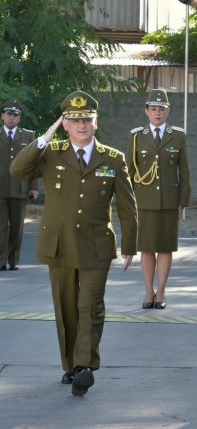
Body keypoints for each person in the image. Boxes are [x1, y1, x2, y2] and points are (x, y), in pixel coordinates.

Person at [10, 91, 137, 396]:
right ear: (64, 124)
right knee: (66, 307)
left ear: (96, 122)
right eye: (74, 120)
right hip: (60, 245)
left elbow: (127, 206)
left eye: (87, 119)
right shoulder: (50, 153)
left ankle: (84, 366)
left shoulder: (113, 158)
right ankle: (69, 366)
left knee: (90, 306)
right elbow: (17, 170)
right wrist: (43, 138)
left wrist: (131, 245)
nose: (81, 125)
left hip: (96, 246)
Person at [127, 89, 191, 310]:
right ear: (146, 111)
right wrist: (129, 201)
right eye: (153, 109)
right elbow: (129, 171)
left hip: (169, 201)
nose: (157, 113)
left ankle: (161, 291)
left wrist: (183, 201)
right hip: (143, 200)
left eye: (161, 109)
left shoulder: (178, 136)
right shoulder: (136, 136)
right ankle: (148, 291)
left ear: (168, 112)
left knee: (164, 248)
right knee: (146, 248)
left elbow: (185, 172)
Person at [1, 100, 39, 271]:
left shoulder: (28, 136)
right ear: (3, 116)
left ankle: (13, 260)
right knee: (1, 226)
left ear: (19, 119)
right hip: (0, 188)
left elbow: (33, 163)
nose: (11, 117)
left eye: (15, 115)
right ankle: (1, 260)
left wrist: (34, 187)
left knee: (17, 227)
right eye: (9, 114)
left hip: (20, 187)